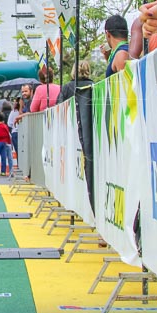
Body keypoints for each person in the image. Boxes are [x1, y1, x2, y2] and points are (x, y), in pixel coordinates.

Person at [60, 61, 95, 209]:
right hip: (90, 133)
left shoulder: (68, 87)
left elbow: (59, 107)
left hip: (71, 133)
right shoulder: (95, 85)